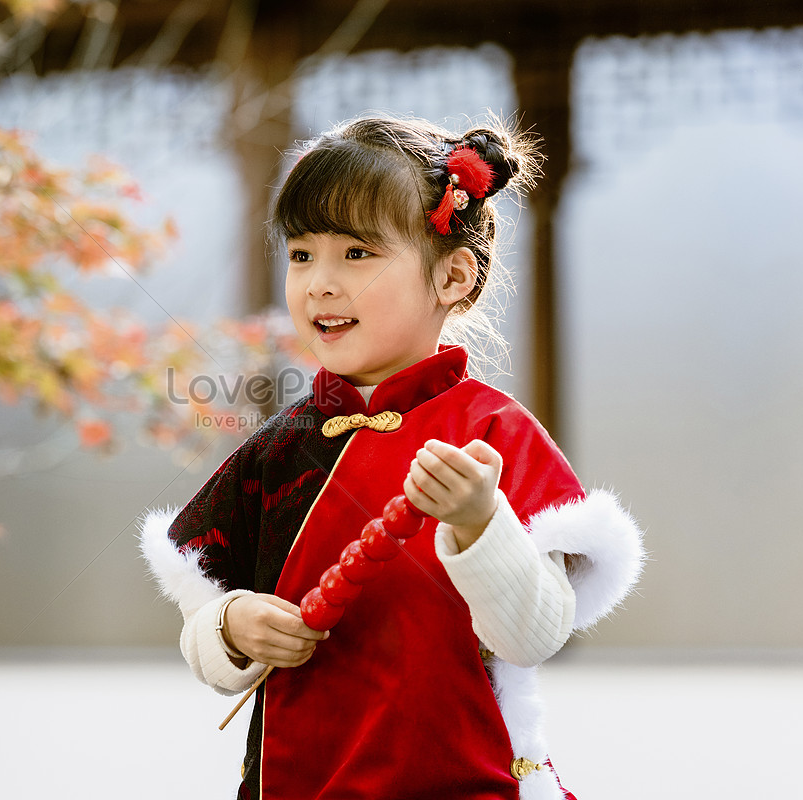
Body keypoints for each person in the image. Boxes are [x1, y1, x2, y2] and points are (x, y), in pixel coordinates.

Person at [140, 115, 644, 800]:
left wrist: (478, 522)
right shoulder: (283, 446)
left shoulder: (493, 433)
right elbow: (205, 631)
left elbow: (535, 635)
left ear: (453, 277)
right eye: (300, 254)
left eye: (356, 254)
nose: (318, 282)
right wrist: (231, 627)